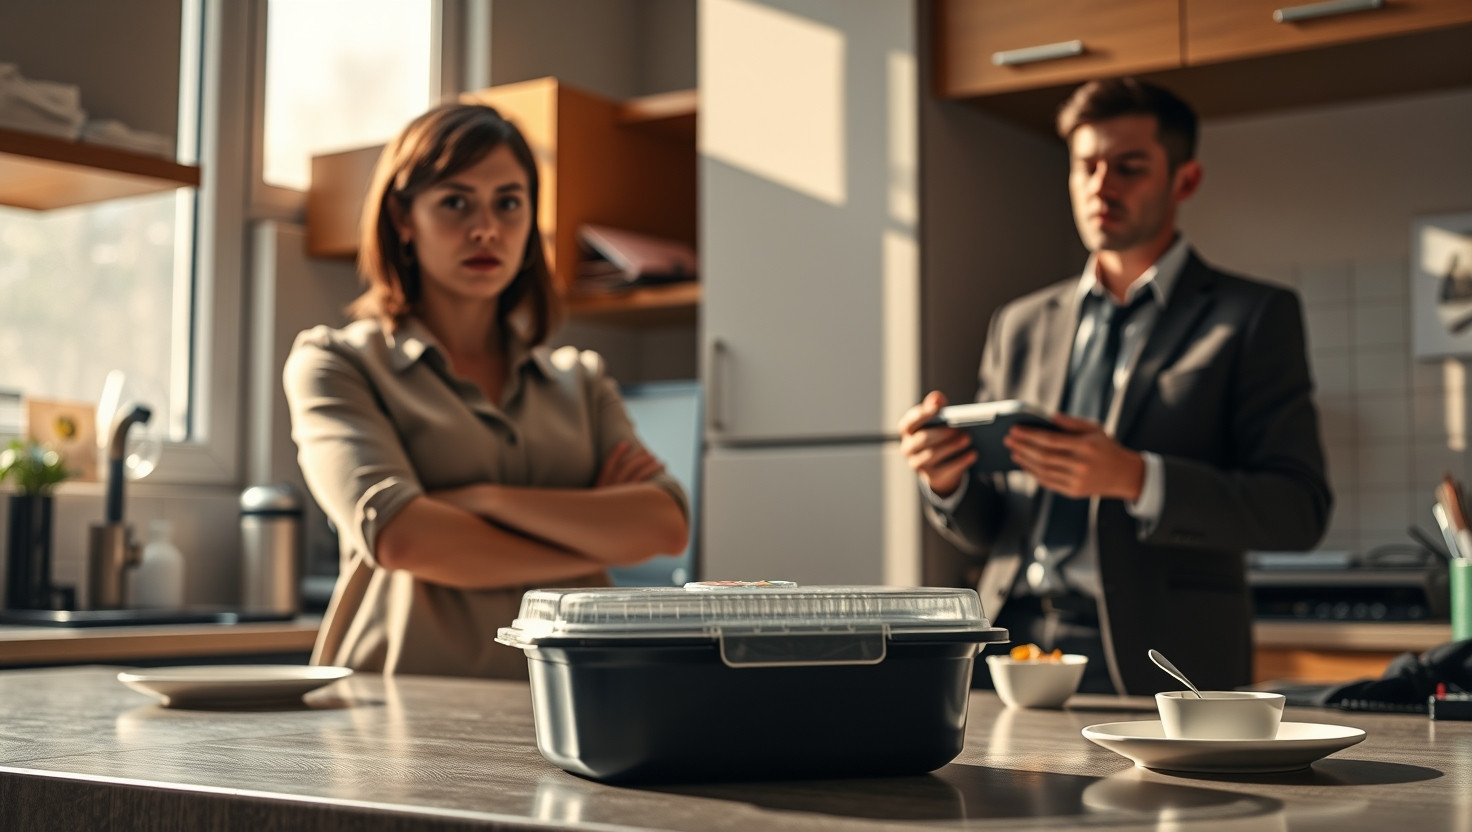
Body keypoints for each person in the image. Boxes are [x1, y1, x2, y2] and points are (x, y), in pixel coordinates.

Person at [898, 78, 1331, 695]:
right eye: (1086, 167)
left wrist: (1136, 478)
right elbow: (995, 524)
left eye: (1128, 168)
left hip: (1155, 657)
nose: (1101, 187)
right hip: (1006, 644)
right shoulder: (1018, 324)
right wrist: (947, 481)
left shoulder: (1254, 316)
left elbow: (1299, 509)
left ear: (1185, 181)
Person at [284, 103, 690, 678]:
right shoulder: (334, 362)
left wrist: (482, 499)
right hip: (403, 710)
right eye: (455, 202)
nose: (486, 229)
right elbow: (403, 538)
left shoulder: (582, 378)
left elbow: (665, 524)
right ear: (403, 217)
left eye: (508, 203)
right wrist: (596, 543)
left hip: (583, 694)